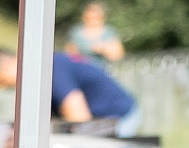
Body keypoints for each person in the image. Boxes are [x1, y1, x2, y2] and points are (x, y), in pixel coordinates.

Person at [0, 46, 139, 136]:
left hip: (117, 116)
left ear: (4, 68)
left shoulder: (48, 68)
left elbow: (77, 115)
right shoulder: (38, 69)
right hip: (100, 117)